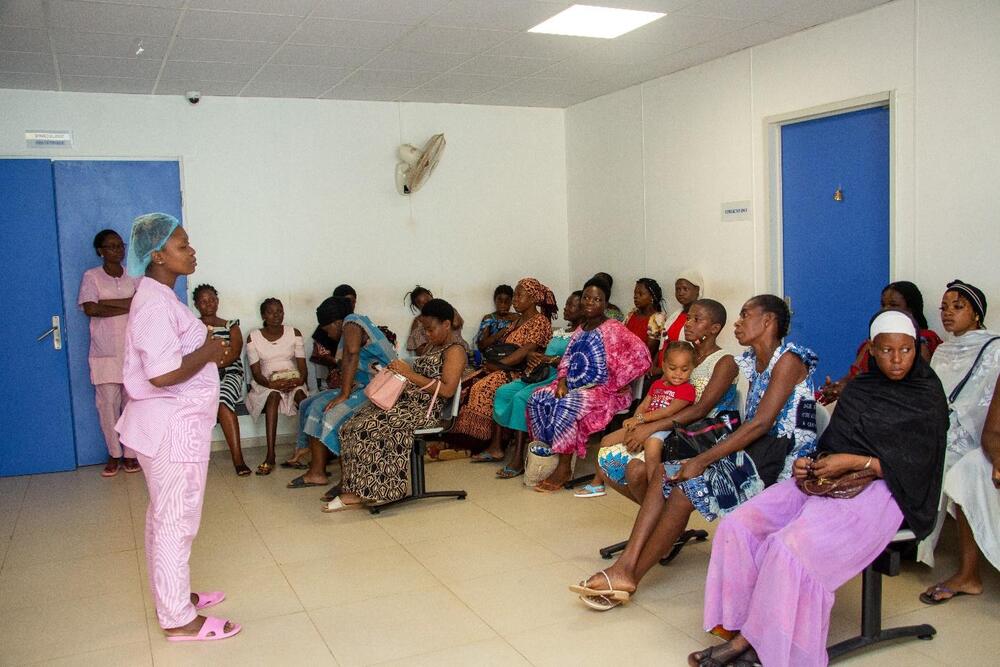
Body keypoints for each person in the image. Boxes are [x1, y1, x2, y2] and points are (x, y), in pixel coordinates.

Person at [689, 309, 947, 667]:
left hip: (890, 490)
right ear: (872, 349)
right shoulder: (861, 389)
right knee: (741, 523)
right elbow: (835, 443)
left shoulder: (926, 394)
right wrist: (812, 462)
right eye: (887, 350)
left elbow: (921, 465)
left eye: (905, 350)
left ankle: (753, 643)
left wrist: (858, 463)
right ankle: (740, 629)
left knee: (789, 546)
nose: (897, 359)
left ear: (916, 348)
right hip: (834, 480)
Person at [571, 295, 818, 610]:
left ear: (768, 321)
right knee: (663, 471)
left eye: (745, 315)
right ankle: (626, 568)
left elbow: (760, 424)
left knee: (683, 488)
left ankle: (628, 574)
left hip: (782, 464)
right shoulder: (755, 361)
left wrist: (702, 459)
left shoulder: (788, 359)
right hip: (756, 451)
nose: (738, 323)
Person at [115, 213, 241, 642]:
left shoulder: (162, 297)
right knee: (175, 521)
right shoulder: (153, 302)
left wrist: (204, 350)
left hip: (171, 426)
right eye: (182, 246)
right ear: (157, 255)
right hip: (171, 428)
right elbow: (163, 374)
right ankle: (178, 620)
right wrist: (207, 351)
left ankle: (175, 598)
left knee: (164, 518)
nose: (192, 252)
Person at [583, 299, 740, 501]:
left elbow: (701, 410)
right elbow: (657, 394)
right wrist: (640, 420)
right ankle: (657, 518)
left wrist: (648, 427)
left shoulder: (724, 361)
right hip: (670, 426)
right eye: (688, 318)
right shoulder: (682, 357)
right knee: (606, 451)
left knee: (636, 471)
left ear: (714, 328)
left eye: (696, 319)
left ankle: (657, 516)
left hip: (701, 435)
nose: (688, 323)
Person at [328, 298, 466, 511]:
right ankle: (356, 490)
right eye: (425, 330)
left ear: (446, 324)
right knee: (351, 425)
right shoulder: (433, 346)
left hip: (425, 410)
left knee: (369, 428)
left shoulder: (455, 351)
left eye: (430, 329)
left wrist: (409, 374)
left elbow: (447, 390)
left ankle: (380, 491)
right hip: (407, 403)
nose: (427, 334)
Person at [526, 278, 651, 491]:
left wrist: (617, 381)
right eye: (586, 298)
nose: (590, 302)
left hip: (603, 392)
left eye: (597, 299)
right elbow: (566, 359)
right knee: (537, 399)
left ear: (605, 304)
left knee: (566, 405)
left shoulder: (613, 328)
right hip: (573, 385)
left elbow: (642, 356)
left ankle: (564, 468)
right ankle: (549, 455)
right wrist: (562, 382)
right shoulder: (581, 328)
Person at [918, 280, 1000, 603]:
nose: (947, 313)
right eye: (944, 307)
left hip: (971, 432)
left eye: (957, 306)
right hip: (958, 430)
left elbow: (981, 404)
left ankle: (969, 573)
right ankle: (900, 544)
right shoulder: (942, 350)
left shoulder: (994, 348)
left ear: (977, 315)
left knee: (957, 463)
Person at [286, 296, 396, 496]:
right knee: (314, 405)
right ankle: (317, 472)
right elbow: (347, 362)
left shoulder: (352, 321)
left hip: (384, 388)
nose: (329, 334)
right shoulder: (351, 326)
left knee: (334, 413)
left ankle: (349, 480)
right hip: (365, 385)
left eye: (328, 329)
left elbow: (353, 353)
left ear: (337, 322)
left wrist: (344, 394)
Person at [456, 278, 556, 458]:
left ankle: (483, 443)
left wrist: (498, 366)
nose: (514, 300)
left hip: (523, 371)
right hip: (505, 366)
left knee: (482, 388)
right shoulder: (515, 322)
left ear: (533, 298)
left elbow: (526, 351)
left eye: (519, 295)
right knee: (466, 383)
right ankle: (471, 441)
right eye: (515, 295)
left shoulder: (539, 321)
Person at [492, 291, 583, 479]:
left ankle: (518, 459)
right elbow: (544, 355)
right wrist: (535, 358)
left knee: (520, 399)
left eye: (571, 305)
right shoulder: (560, 331)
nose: (566, 308)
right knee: (502, 391)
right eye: (566, 304)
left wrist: (548, 359)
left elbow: (577, 364)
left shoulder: (582, 335)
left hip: (559, 379)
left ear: (583, 310)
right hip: (540, 374)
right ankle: (497, 446)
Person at [590, 341, 697, 499]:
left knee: (652, 445)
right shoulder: (657, 384)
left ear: (692, 368)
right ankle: (598, 482)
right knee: (606, 440)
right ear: (664, 364)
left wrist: (641, 419)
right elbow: (644, 405)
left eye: (685, 369)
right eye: (673, 368)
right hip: (645, 422)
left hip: (665, 428)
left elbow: (669, 411)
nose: (678, 374)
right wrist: (635, 419)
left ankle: (656, 489)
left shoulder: (687, 389)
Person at [78, 229, 141, 477]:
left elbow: (140, 304)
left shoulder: (133, 276)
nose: (118, 250)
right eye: (111, 246)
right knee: (107, 406)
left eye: (120, 245)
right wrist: (127, 303)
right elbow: (91, 308)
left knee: (133, 405)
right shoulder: (91, 277)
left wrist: (108, 304)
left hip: (132, 352)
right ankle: (114, 454)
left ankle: (131, 455)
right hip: (104, 354)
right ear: (100, 251)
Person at [819, 280, 943, 403]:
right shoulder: (874, 342)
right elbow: (853, 375)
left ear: (911, 310)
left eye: (893, 305)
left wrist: (853, 391)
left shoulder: (922, 341)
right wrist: (837, 387)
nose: (885, 309)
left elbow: (913, 386)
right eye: (883, 304)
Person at [244, 298, 308, 475]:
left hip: (292, 378)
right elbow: (256, 373)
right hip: (265, 381)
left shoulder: (294, 333)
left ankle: (305, 450)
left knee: (303, 399)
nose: (276, 315)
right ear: (263, 315)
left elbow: (303, 369)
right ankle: (270, 454)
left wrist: (296, 382)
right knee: (273, 396)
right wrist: (273, 384)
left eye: (279, 311)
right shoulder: (253, 336)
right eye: (271, 312)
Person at [193, 284, 248, 476]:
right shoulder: (191, 326)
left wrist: (210, 363)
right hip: (199, 376)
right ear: (196, 304)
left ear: (218, 301)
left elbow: (234, 353)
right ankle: (191, 461)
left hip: (229, 374)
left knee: (223, 402)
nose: (209, 304)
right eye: (203, 301)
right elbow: (189, 354)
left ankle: (238, 460)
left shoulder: (231, 325)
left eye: (212, 299)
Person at [650, 270, 704, 376]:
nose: (680, 293)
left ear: (697, 290)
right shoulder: (675, 315)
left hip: (677, 375)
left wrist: (663, 371)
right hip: (663, 371)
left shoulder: (699, 319)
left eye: (685, 289)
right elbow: (663, 344)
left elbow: (694, 353)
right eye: (677, 289)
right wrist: (655, 366)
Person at [404, 285, 466, 355]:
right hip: (434, 357)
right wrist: (436, 355)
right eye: (421, 303)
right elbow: (419, 350)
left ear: (431, 296)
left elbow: (457, 324)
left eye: (427, 300)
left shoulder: (447, 309)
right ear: (417, 306)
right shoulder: (418, 322)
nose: (426, 304)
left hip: (459, 351)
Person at [623, 278, 667, 358]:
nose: (635, 297)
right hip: (624, 358)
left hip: (642, 362)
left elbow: (649, 350)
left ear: (651, 297)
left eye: (640, 294)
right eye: (635, 293)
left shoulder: (657, 318)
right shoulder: (632, 313)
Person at [474, 284, 516, 352]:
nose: (503, 305)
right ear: (494, 300)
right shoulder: (489, 319)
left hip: (513, 354)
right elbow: (481, 346)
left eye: (506, 301)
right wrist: (503, 331)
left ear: (511, 302)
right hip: (493, 355)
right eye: (500, 301)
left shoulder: (517, 318)